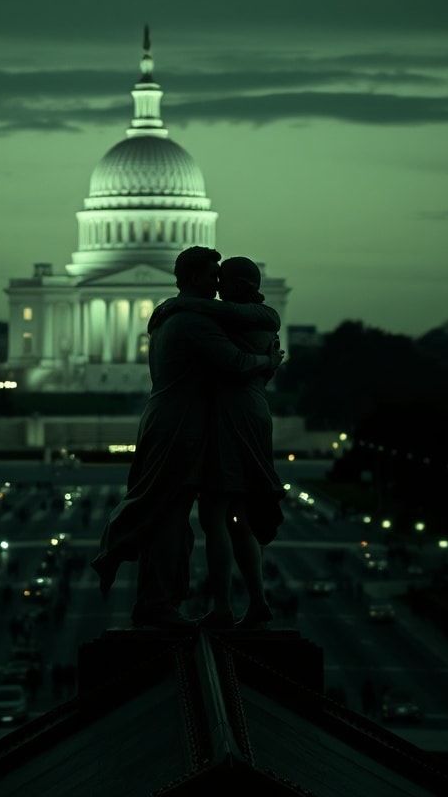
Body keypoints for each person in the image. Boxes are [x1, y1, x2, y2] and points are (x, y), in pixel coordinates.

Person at [90, 246, 283, 630]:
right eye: (213, 276)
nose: (218, 283)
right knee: (170, 516)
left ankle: (163, 602)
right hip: (180, 427)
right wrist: (269, 362)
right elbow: (236, 363)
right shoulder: (193, 322)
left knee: (174, 516)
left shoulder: (174, 315)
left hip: (176, 421)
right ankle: (159, 603)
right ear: (195, 278)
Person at [152, 256, 285, 630]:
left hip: (230, 415)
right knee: (239, 517)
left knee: (215, 516)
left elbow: (232, 360)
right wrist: (268, 362)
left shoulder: (219, 316)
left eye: (221, 278)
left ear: (236, 284)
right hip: (253, 409)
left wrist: (176, 303)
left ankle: (225, 606)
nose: (215, 284)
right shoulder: (257, 316)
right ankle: (256, 602)